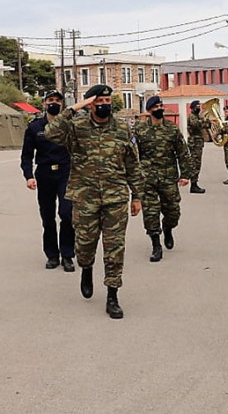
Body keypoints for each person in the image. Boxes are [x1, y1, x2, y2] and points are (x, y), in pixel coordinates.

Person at [45, 84, 143, 319]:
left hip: (116, 197)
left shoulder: (121, 128)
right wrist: (75, 108)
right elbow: (50, 132)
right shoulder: (76, 127)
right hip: (85, 197)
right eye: (98, 101)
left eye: (107, 101)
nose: (103, 105)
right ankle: (86, 268)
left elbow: (133, 163)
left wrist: (137, 195)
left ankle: (112, 295)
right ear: (90, 104)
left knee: (114, 248)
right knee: (85, 244)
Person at [20, 90, 75, 272]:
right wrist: (29, 176)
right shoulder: (35, 127)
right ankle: (52, 254)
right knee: (47, 217)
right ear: (44, 104)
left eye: (57, 100)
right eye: (50, 100)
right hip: (44, 174)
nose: (54, 103)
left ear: (62, 104)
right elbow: (27, 155)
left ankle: (67, 254)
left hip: (65, 173)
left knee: (67, 214)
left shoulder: (69, 125)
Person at [134, 95, 192, 262]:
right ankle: (156, 244)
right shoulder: (140, 129)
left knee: (173, 211)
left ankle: (168, 228)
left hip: (168, 177)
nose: (159, 108)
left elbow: (182, 152)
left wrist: (186, 174)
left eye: (161, 105)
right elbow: (133, 154)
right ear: (149, 110)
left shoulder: (172, 129)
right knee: (150, 213)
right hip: (148, 179)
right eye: (156, 106)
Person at [186, 100, 207, 194]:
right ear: (193, 107)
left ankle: (195, 183)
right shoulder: (192, 117)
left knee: (198, 163)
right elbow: (197, 125)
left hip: (198, 142)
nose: (199, 108)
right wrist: (205, 121)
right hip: (194, 143)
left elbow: (205, 125)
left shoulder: (198, 117)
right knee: (195, 164)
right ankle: (193, 185)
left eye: (199, 106)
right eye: (197, 106)